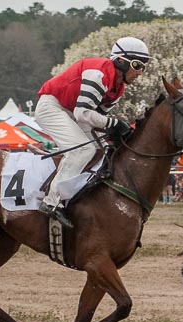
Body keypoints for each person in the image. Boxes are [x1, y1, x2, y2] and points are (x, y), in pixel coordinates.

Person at [35, 36, 149, 224]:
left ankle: (80, 195)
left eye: (144, 67)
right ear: (121, 60)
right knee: (83, 149)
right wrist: (115, 124)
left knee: (100, 149)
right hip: (52, 107)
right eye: (138, 65)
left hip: (71, 112)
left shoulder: (118, 89)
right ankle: (51, 201)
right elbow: (83, 114)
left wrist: (115, 133)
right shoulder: (98, 74)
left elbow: (95, 119)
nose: (140, 72)